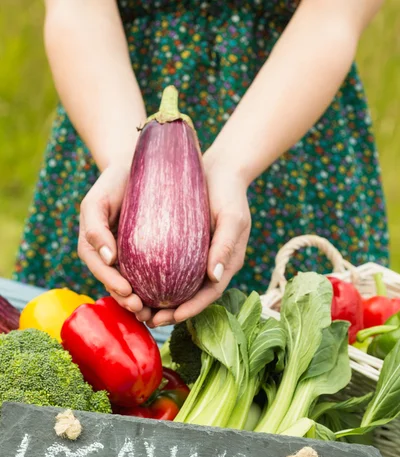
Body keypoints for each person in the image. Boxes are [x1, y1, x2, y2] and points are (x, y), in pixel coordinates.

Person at [14, 0, 387, 329]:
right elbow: (77, 7)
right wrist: (129, 161)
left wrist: (230, 168)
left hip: (286, 114)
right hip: (109, 104)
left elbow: (334, 14)